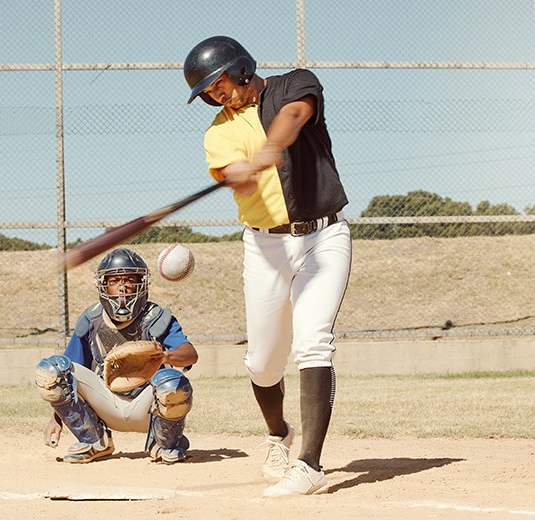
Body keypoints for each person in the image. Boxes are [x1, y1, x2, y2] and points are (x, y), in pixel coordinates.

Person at [183, 36, 352, 497]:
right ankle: (278, 435)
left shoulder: (295, 83)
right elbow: (233, 177)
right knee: (262, 362)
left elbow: (296, 116)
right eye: (208, 94)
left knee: (313, 341)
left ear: (239, 68)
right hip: (264, 248)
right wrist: (235, 174)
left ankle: (310, 466)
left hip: (324, 237)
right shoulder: (218, 133)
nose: (217, 97)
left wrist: (270, 145)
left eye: (218, 85)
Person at [35, 247, 198, 464]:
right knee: (52, 369)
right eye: (114, 281)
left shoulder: (156, 317)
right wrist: (57, 418)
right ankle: (94, 441)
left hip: (148, 407)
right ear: (104, 286)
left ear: (142, 284)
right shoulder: (92, 320)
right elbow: (67, 376)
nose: (123, 287)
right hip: (107, 402)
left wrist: (165, 356)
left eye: (130, 279)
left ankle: (164, 443)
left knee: (173, 382)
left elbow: (190, 355)